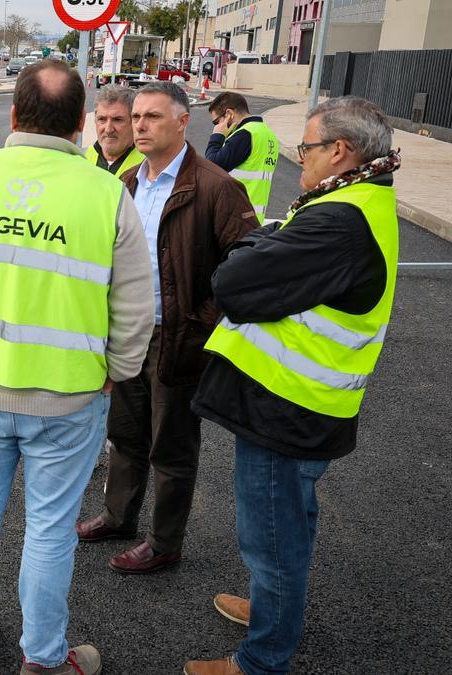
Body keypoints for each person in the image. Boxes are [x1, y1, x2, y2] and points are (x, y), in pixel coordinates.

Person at [0, 58, 155, 675]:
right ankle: (45, 659)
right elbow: (136, 306)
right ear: (81, 123)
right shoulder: (107, 194)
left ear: (15, 115)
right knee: (48, 531)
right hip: (69, 399)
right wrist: (118, 371)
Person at [184, 97, 402, 675]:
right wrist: (271, 238)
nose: (297, 159)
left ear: (340, 151)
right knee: (288, 525)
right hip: (301, 405)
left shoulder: (337, 220)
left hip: (288, 408)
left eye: (306, 148)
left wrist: (263, 242)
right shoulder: (358, 200)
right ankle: (270, 611)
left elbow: (232, 281)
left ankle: (262, 659)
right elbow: (269, 249)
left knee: (273, 538)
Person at [75, 82, 259, 574]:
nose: (138, 126)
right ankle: (118, 516)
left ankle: (164, 542)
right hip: (131, 333)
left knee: (172, 447)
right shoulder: (128, 182)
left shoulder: (216, 187)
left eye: (152, 117)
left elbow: (248, 265)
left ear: (183, 122)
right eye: (135, 117)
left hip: (179, 338)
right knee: (126, 434)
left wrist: (203, 322)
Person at [206, 92, 280, 223]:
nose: (216, 126)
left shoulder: (244, 134)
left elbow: (212, 166)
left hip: (236, 216)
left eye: (217, 122)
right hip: (254, 217)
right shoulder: (268, 134)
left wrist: (217, 136)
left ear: (229, 114)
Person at [85, 85, 145, 176]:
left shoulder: (147, 167)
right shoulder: (83, 158)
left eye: (117, 120)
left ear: (133, 122)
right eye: (102, 119)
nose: (108, 129)